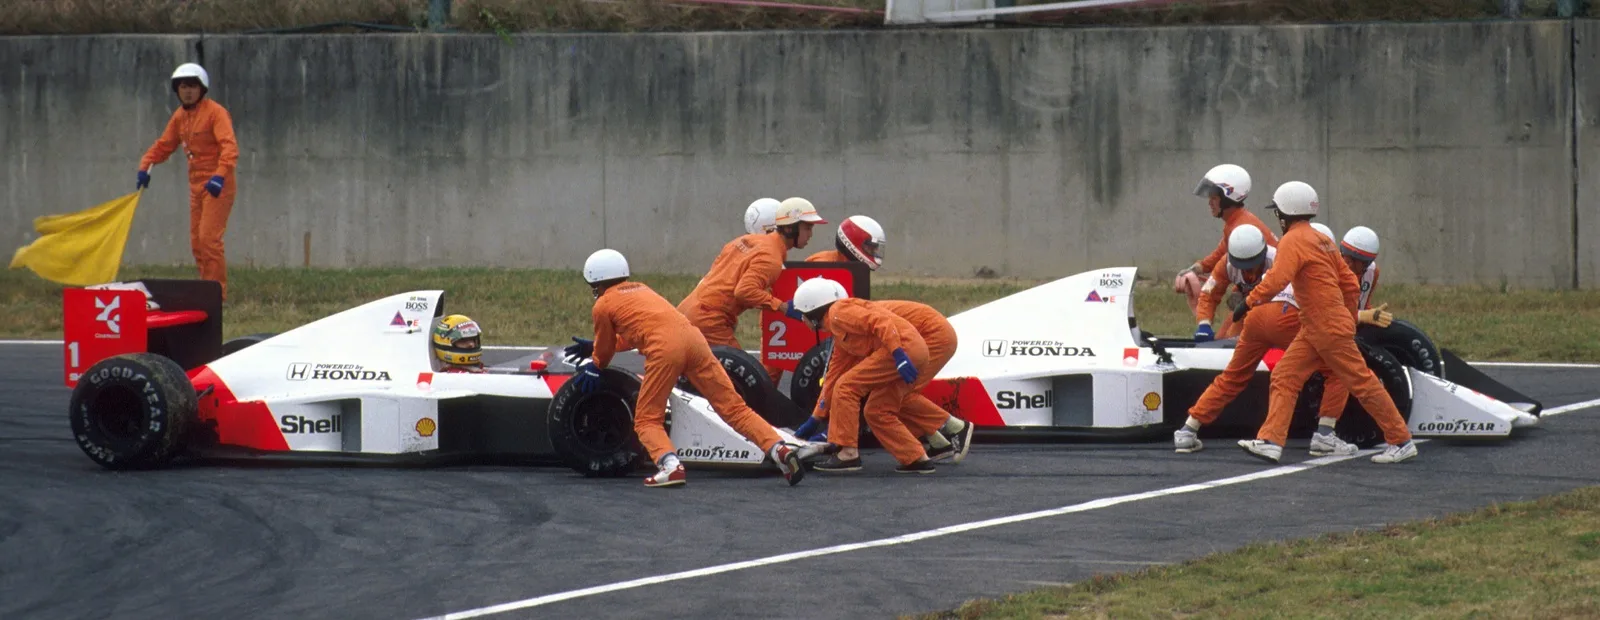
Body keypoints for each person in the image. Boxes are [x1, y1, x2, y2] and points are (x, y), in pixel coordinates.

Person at [568, 249, 805, 488]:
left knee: (646, 420)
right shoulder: (642, 289)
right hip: (694, 340)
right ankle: (778, 449)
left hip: (665, 349)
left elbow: (606, 351)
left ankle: (670, 466)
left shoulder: (602, 305)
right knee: (734, 408)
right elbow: (638, 332)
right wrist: (595, 347)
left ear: (595, 281)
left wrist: (595, 363)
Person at [1236, 182, 1417, 464]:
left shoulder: (1293, 240)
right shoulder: (1322, 240)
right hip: (1317, 326)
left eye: (1279, 213)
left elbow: (1276, 279)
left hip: (1324, 326)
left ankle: (1401, 440)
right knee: (1285, 375)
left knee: (1361, 382)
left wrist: (1248, 301)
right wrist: (1347, 316)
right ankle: (1270, 441)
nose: (1278, 218)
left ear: (1287, 212)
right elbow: (1349, 283)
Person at [1174, 226, 1357, 458]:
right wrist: (1203, 322)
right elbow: (1210, 293)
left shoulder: (1282, 253)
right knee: (1337, 370)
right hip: (1284, 317)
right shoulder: (1324, 263)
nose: (1248, 271)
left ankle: (1188, 428)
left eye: (1252, 264)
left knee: (1233, 375)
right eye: (1243, 266)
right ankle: (1324, 434)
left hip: (1256, 316)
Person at [788, 278, 960, 474]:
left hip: (903, 349)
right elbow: (832, 377)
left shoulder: (838, 312)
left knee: (846, 387)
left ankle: (848, 454)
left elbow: (881, 322)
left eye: (802, 315)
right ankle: (916, 458)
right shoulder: (840, 332)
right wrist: (816, 418)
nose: (801, 320)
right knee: (876, 410)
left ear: (813, 310)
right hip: (909, 349)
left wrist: (898, 353)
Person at [679, 197, 827, 385]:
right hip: (709, 319)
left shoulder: (744, 240)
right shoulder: (771, 257)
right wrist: (782, 307)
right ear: (790, 229)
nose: (811, 234)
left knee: (705, 377)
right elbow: (744, 291)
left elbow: (717, 272)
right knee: (746, 380)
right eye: (808, 228)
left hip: (688, 309)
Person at [138, 63, 240, 300]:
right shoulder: (180, 117)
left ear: (202, 89)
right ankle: (206, 290)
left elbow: (230, 147)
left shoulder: (216, 113)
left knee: (209, 240)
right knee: (197, 242)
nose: (188, 91)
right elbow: (164, 145)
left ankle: (217, 295)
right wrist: (145, 166)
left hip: (217, 185)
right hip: (196, 186)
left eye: (193, 86)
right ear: (177, 90)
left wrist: (219, 175)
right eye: (184, 86)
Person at [1175, 164, 1277, 317]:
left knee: (1228, 337)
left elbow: (1253, 271)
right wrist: (1198, 268)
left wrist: (1242, 294)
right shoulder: (1236, 223)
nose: (1210, 203)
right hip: (1260, 296)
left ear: (1229, 198)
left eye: (1214, 198)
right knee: (1226, 335)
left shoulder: (1241, 227)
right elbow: (1222, 251)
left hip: (1269, 300)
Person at [804, 215, 886, 269]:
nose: (874, 251)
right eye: (871, 247)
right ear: (853, 242)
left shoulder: (851, 268)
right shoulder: (823, 265)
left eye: (875, 248)